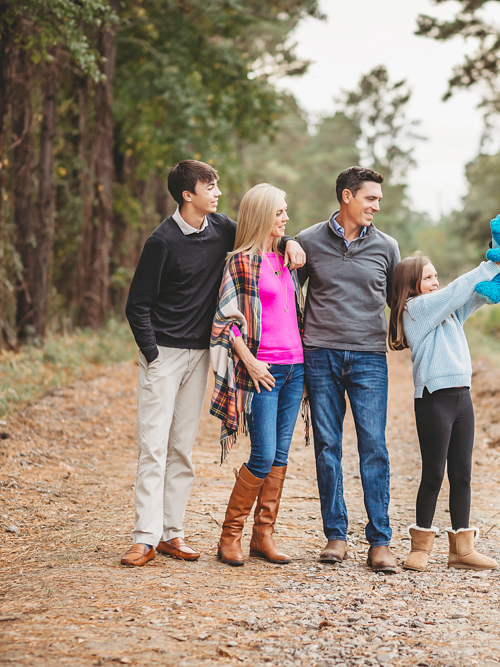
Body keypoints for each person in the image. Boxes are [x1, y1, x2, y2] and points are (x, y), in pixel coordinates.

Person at [121, 161, 304, 568]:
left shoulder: (222, 229)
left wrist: (289, 239)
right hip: (164, 354)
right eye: (210, 186)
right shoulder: (162, 241)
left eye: (217, 185)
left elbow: (260, 229)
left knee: (181, 448)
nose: (217, 192)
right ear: (188, 195)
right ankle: (143, 538)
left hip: (202, 355)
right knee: (153, 447)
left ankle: (172, 534)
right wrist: (152, 354)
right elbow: (137, 306)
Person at [386, 250, 500, 571]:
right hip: (434, 399)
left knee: (462, 475)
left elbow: (472, 297)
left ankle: (462, 549)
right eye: (429, 277)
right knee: (433, 474)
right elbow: (455, 291)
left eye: (436, 276)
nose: (436, 281)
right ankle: (420, 548)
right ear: (413, 284)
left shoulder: (444, 311)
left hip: (462, 396)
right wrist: (488, 266)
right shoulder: (416, 309)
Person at [295, 166, 401, 573]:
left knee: (374, 446)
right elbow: (290, 294)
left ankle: (380, 542)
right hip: (319, 355)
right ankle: (335, 536)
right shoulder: (307, 241)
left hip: (369, 357)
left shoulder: (387, 247)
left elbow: (400, 302)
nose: (376, 205)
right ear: (346, 197)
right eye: (370, 198)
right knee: (327, 446)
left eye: (378, 199)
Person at [210, 183, 307, 567]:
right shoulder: (240, 262)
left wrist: (291, 242)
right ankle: (229, 535)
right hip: (262, 370)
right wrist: (248, 360)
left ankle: (262, 536)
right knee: (263, 455)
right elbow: (224, 320)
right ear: (264, 215)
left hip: (295, 369)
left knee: (281, 455)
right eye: (280, 212)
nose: (285, 219)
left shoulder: (289, 257)